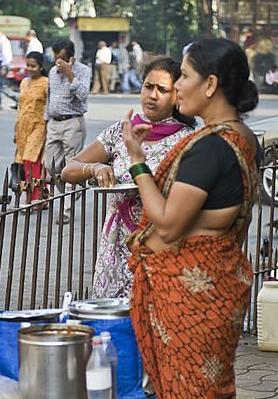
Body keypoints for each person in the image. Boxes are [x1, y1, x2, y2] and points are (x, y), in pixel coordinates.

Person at [123, 38, 260, 399]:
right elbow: (215, 218)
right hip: (216, 294)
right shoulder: (242, 137)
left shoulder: (210, 147)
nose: (176, 85)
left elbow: (166, 222)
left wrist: (137, 161)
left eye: (183, 76)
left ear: (210, 84)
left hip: (192, 306)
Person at [60, 57, 194, 298]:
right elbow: (68, 170)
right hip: (116, 242)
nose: (153, 95)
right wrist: (94, 168)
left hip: (160, 242)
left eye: (162, 90)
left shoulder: (186, 141)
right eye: (148, 86)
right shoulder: (120, 132)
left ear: (177, 96)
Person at [43, 38, 91, 220]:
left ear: (71, 57)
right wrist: (46, 122)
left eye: (62, 59)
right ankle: (72, 191)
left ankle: (66, 211)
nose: (58, 62)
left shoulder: (83, 71)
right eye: (56, 58)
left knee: (71, 164)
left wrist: (69, 73)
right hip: (54, 122)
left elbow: (83, 95)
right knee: (50, 165)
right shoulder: (52, 72)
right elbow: (49, 98)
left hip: (72, 122)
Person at [13, 52, 48, 206]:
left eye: (33, 66)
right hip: (22, 128)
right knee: (35, 164)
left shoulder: (46, 83)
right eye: (28, 65)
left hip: (39, 127)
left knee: (30, 163)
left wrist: (47, 130)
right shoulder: (23, 82)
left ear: (41, 67)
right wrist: (16, 127)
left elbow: (49, 107)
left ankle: (31, 199)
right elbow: (20, 107)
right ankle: (43, 195)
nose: (30, 69)